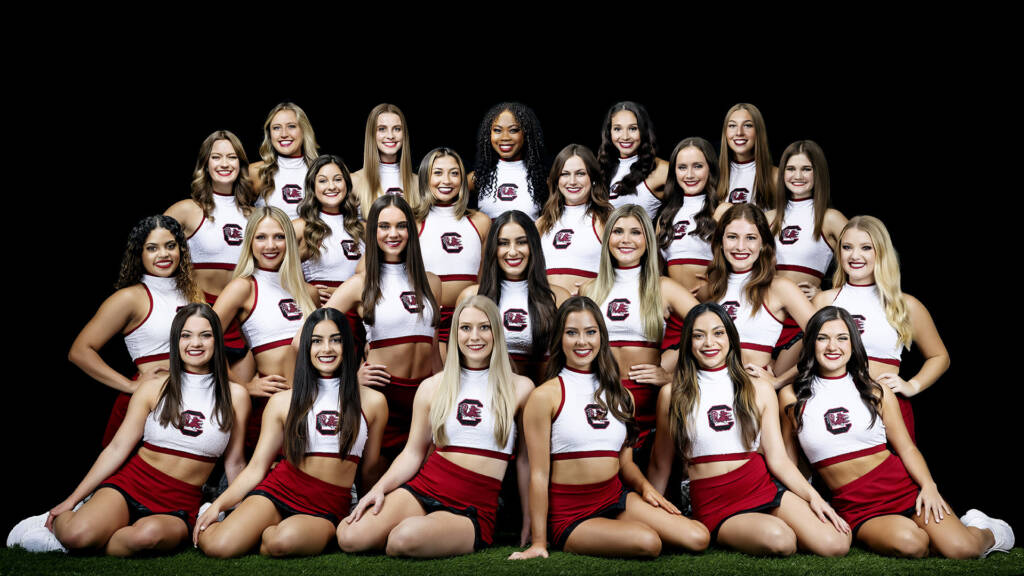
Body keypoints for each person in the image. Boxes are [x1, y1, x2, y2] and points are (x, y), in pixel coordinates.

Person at [779, 306, 1013, 558]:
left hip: (903, 488)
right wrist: (807, 506)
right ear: (811, 343)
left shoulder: (875, 391)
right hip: (857, 506)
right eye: (822, 338)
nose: (832, 346)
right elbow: (791, 463)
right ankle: (931, 533)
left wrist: (928, 486)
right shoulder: (792, 397)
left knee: (963, 549)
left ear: (853, 344)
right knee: (911, 544)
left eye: (842, 338)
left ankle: (987, 530)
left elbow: (907, 448)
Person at [31, 304, 248, 556]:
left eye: (205, 335)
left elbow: (235, 463)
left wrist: (237, 515)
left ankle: (101, 531)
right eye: (185, 335)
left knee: (146, 537)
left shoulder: (236, 396)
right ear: (175, 341)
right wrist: (70, 500)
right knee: (77, 535)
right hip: (132, 484)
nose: (195, 343)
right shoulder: (154, 387)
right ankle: (70, 519)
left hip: (179, 503)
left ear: (217, 341)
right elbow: (117, 448)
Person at [509, 296, 709, 559]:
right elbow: (538, 475)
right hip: (571, 513)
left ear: (601, 337)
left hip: (615, 498)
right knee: (648, 542)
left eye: (590, 332)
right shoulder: (545, 396)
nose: (582, 341)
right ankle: (597, 534)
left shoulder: (621, 396)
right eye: (572, 333)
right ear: (560, 338)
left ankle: (616, 529)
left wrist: (645, 488)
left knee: (698, 537)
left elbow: (624, 463)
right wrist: (539, 543)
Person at [647, 303, 849, 557]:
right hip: (714, 499)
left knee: (836, 543)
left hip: (759, 484)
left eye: (718, 333)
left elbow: (777, 459)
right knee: (781, 540)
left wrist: (813, 497)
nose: (710, 342)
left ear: (731, 338)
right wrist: (652, 516)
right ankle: (751, 527)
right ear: (688, 342)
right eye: (699, 335)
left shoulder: (758, 388)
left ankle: (783, 519)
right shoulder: (672, 394)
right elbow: (660, 463)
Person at [338, 296, 534, 557]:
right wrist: (378, 489)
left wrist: (530, 519)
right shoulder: (433, 386)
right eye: (465, 328)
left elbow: (525, 462)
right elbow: (413, 453)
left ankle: (427, 529)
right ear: (454, 334)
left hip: (472, 508)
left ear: (497, 331)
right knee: (350, 536)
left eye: (483, 327)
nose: (474, 336)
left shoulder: (520, 388)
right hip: (426, 487)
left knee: (403, 540)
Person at [195, 308, 386, 558]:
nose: (326, 349)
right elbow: (257, 467)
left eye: (335, 340)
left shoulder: (373, 402)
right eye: (317, 341)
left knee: (280, 542)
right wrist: (217, 505)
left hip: (327, 506)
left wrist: (362, 506)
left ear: (347, 346)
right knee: (220, 547)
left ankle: (255, 528)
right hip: (279, 490)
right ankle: (224, 516)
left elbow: (369, 468)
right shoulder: (283, 402)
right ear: (306, 347)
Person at [69, 215, 203, 446]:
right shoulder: (130, 297)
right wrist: (129, 385)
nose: (163, 254)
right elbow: (80, 351)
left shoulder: (193, 293)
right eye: (152, 248)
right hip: (153, 407)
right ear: (139, 254)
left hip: (197, 402)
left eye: (170, 246)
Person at [812, 216, 948, 442]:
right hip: (832, 406)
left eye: (866, 247)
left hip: (885, 409)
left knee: (900, 473)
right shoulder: (824, 301)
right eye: (847, 247)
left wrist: (912, 385)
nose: (855, 256)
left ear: (881, 252)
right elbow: (806, 356)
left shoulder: (904, 305)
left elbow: (939, 356)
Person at [325, 195, 440, 459]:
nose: (393, 233)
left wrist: (445, 387)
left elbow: (432, 348)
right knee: (373, 477)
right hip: (381, 393)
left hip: (423, 395)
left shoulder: (432, 283)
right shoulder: (360, 284)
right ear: (372, 231)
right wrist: (349, 381)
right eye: (384, 226)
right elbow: (306, 338)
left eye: (401, 225)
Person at [582, 205, 698, 447]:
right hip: (597, 397)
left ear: (647, 239)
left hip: (647, 404)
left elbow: (715, 330)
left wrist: (672, 377)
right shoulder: (588, 290)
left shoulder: (664, 287)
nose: (626, 240)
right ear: (607, 239)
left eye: (635, 232)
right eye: (618, 232)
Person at [214, 207, 317, 452]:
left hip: (315, 402)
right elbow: (202, 341)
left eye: (279, 236)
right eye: (261, 237)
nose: (270, 245)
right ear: (249, 242)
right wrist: (243, 385)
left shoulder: (308, 292)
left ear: (289, 241)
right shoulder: (244, 287)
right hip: (274, 409)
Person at [165, 130, 259, 373]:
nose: (225, 163)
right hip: (197, 313)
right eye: (216, 157)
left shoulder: (254, 216)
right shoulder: (187, 209)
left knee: (243, 398)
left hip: (239, 320)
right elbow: (149, 250)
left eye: (232, 157)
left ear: (241, 164)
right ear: (205, 164)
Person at [700, 203, 815, 384]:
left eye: (751, 238)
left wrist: (781, 380)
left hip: (754, 389)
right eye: (732, 237)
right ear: (720, 242)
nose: (740, 246)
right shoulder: (710, 290)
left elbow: (825, 336)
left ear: (763, 244)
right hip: (709, 384)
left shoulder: (780, 287)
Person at [764, 140, 848, 376]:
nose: (797, 176)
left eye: (806, 169)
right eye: (790, 169)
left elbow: (865, 261)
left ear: (817, 173)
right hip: (768, 316)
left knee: (784, 386)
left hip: (803, 319)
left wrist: (826, 294)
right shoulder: (768, 219)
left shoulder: (829, 218)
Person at [459, 210, 570, 384]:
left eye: (521, 242)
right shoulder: (471, 296)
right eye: (503, 243)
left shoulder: (558, 297)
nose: (512, 252)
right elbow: (458, 362)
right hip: (490, 402)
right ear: (493, 249)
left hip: (542, 402)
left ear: (533, 245)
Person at [414, 147, 490, 359]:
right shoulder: (412, 221)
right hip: (426, 317)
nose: (446, 180)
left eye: (454, 173)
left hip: (470, 319)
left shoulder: (480, 222)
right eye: (437, 173)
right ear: (424, 178)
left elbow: (485, 278)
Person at [537, 144, 612, 296]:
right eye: (564, 174)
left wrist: (597, 287)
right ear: (556, 180)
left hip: (588, 310)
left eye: (580, 173)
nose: (572, 181)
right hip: (546, 311)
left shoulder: (607, 219)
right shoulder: (541, 223)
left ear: (593, 178)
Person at [293, 154, 365, 305]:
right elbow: (274, 273)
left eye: (338, 179)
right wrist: (304, 289)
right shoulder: (300, 227)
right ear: (312, 186)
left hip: (358, 310)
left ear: (347, 184)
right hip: (320, 309)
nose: (331, 186)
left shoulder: (363, 229)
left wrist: (344, 292)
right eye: (323, 181)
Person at [654, 137, 719, 295]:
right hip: (671, 307)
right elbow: (656, 268)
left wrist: (716, 284)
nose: (689, 175)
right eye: (682, 167)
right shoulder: (665, 216)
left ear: (710, 168)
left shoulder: (721, 210)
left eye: (697, 166)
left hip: (710, 304)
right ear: (674, 171)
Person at [469, 102, 547, 221]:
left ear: (526, 134)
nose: (505, 137)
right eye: (497, 130)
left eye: (513, 130)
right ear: (489, 135)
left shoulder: (542, 179)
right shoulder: (477, 178)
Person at [596, 101, 668, 220]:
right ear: (609, 132)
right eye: (617, 129)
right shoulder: (599, 170)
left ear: (644, 130)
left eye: (633, 128)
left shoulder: (662, 169)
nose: (625, 136)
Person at [250, 102, 320, 220]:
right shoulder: (256, 172)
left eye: (291, 126)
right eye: (276, 128)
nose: (284, 134)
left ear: (303, 130)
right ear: (270, 134)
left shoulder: (320, 171)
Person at [351, 103, 418, 216]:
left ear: (404, 134)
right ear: (372, 134)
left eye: (397, 129)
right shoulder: (354, 181)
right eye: (382, 129)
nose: (390, 136)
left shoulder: (418, 183)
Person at [714, 103, 776, 210]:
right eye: (732, 126)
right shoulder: (714, 176)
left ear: (758, 131)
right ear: (725, 132)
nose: (739, 132)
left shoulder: (775, 176)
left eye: (747, 125)